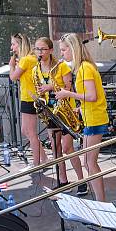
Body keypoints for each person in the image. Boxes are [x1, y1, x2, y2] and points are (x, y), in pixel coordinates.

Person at [55, 34, 108, 201]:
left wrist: (67, 93)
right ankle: (100, 201)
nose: (62, 53)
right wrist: (79, 109)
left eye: (63, 49)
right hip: (91, 116)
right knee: (88, 162)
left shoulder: (84, 68)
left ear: (73, 48)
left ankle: (101, 202)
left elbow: (91, 96)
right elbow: (93, 96)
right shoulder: (84, 67)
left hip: (94, 119)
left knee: (89, 163)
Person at [34, 37, 88, 196]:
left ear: (50, 50)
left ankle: (81, 181)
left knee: (67, 148)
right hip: (50, 112)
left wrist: (50, 86)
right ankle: (62, 181)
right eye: (37, 49)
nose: (40, 52)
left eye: (43, 49)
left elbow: (68, 86)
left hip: (66, 111)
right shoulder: (36, 69)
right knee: (56, 149)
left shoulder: (61, 66)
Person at [9, 33, 48, 167]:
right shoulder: (31, 58)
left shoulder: (26, 60)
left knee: (29, 132)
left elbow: (13, 77)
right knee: (27, 131)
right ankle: (44, 159)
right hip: (31, 97)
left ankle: (37, 163)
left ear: (20, 45)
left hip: (29, 98)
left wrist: (11, 66)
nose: (12, 47)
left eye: (13, 44)